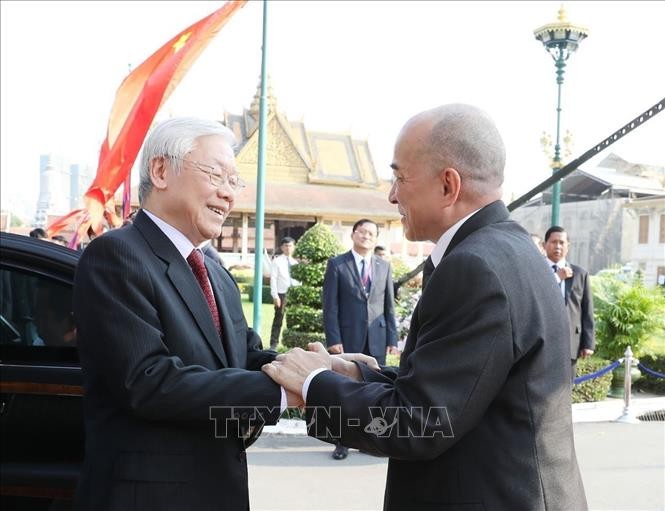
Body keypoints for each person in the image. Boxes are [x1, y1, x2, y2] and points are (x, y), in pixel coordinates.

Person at [263, 104, 587, 509]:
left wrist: (313, 384)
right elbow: (462, 384)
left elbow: (419, 423)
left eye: (400, 177)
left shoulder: (474, 267)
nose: (391, 194)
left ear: (448, 186)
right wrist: (358, 375)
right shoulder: (510, 249)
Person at [73, 117, 301, 510]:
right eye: (217, 175)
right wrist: (285, 390)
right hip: (149, 497)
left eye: (234, 182)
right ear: (161, 171)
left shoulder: (214, 270)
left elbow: (244, 357)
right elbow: (149, 382)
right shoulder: (116, 256)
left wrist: (316, 371)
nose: (228, 195)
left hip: (220, 488)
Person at [322, 218, 398, 460]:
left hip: (377, 337)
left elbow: (389, 306)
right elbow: (330, 306)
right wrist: (333, 338)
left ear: (376, 238)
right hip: (347, 338)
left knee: (375, 390)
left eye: (371, 233)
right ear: (353, 234)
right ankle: (341, 440)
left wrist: (392, 338)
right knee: (345, 390)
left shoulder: (384, 266)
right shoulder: (337, 264)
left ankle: (369, 440)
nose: (366, 236)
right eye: (362, 232)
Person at [543, 225, 595, 379]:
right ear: (545, 245)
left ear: (568, 246)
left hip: (570, 341)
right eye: (553, 242)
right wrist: (557, 277)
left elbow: (587, 309)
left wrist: (588, 343)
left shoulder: (580, 274)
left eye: (562, 242)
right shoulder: (536, 270)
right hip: (543, 340)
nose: (557, 246)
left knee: (565, 388)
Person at [269, 236, 299, 349]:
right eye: (286, 246)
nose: (288, 248)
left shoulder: (295, 263)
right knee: (278, 319)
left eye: (290, 245)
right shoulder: (277, 261)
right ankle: (273, 344)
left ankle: (292, 344)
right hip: (282, 294)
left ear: (294, 247)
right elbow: (273, 279)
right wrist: (275, 295)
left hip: (294, 294)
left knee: (293, 320)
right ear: (282, 247)